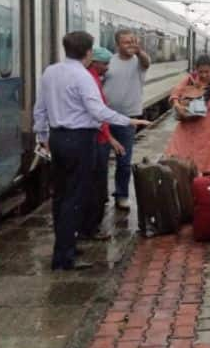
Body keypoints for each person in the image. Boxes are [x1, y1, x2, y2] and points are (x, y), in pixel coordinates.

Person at [33, 31, 149, 270]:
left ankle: (65, 246)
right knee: (75, 198)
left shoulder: (50, 72)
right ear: (88, 53)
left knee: (61, 196)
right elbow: (98, 111)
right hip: (80, 140)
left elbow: (39, 108)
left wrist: (43, 137)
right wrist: (129, 121)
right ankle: (64, 258)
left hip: (57, 138)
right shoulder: (83, 76)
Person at [79, 46, 126, 242]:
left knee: (95, 186)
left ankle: (89, 227)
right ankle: (90, 228)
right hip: (97, 140)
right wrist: (110, 138)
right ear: (94, 62)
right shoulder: (90, 81)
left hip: (98, 139)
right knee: (95, 187)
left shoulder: (93, 78)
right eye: (105, 64)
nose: (107, 68)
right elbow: (98, 114)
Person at [103, 29, 150, 210]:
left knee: (124, 161)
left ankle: (121, 195)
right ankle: (101, 196)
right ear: (117, 45)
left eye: (133, 41)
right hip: (105, 117)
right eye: (126, 42)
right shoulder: (109, 62)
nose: (130, 45)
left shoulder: (139, 61)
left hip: (128, 118)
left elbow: (147, 62)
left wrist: (139, 51)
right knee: (100, 160)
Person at [164, 55, 210, 173]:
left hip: (206, 133)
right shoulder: (189, 80)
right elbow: (175, 93)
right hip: (185, 131)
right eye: (200, 72)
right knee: (179, 162)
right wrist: (177, 104)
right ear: (196, 70)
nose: (203, 75)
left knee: (203, 166)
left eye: (207, 72)